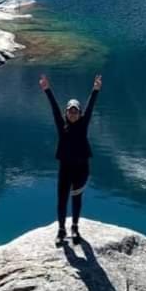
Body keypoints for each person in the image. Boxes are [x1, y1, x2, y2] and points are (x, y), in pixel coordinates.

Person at [39, 72, 102, 246]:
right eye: (70, 111)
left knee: (76, 197)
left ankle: (74, 227)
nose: (73, 114)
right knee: (61, 199)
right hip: (65, 168)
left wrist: (95, 90)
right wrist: (47, 90)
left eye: (75, 111)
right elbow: (53, 108)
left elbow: (90, 107)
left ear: (79, 114)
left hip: (81, 168)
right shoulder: (62, 126)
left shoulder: (83, 124)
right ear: (66, 113)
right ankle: (61, 229)